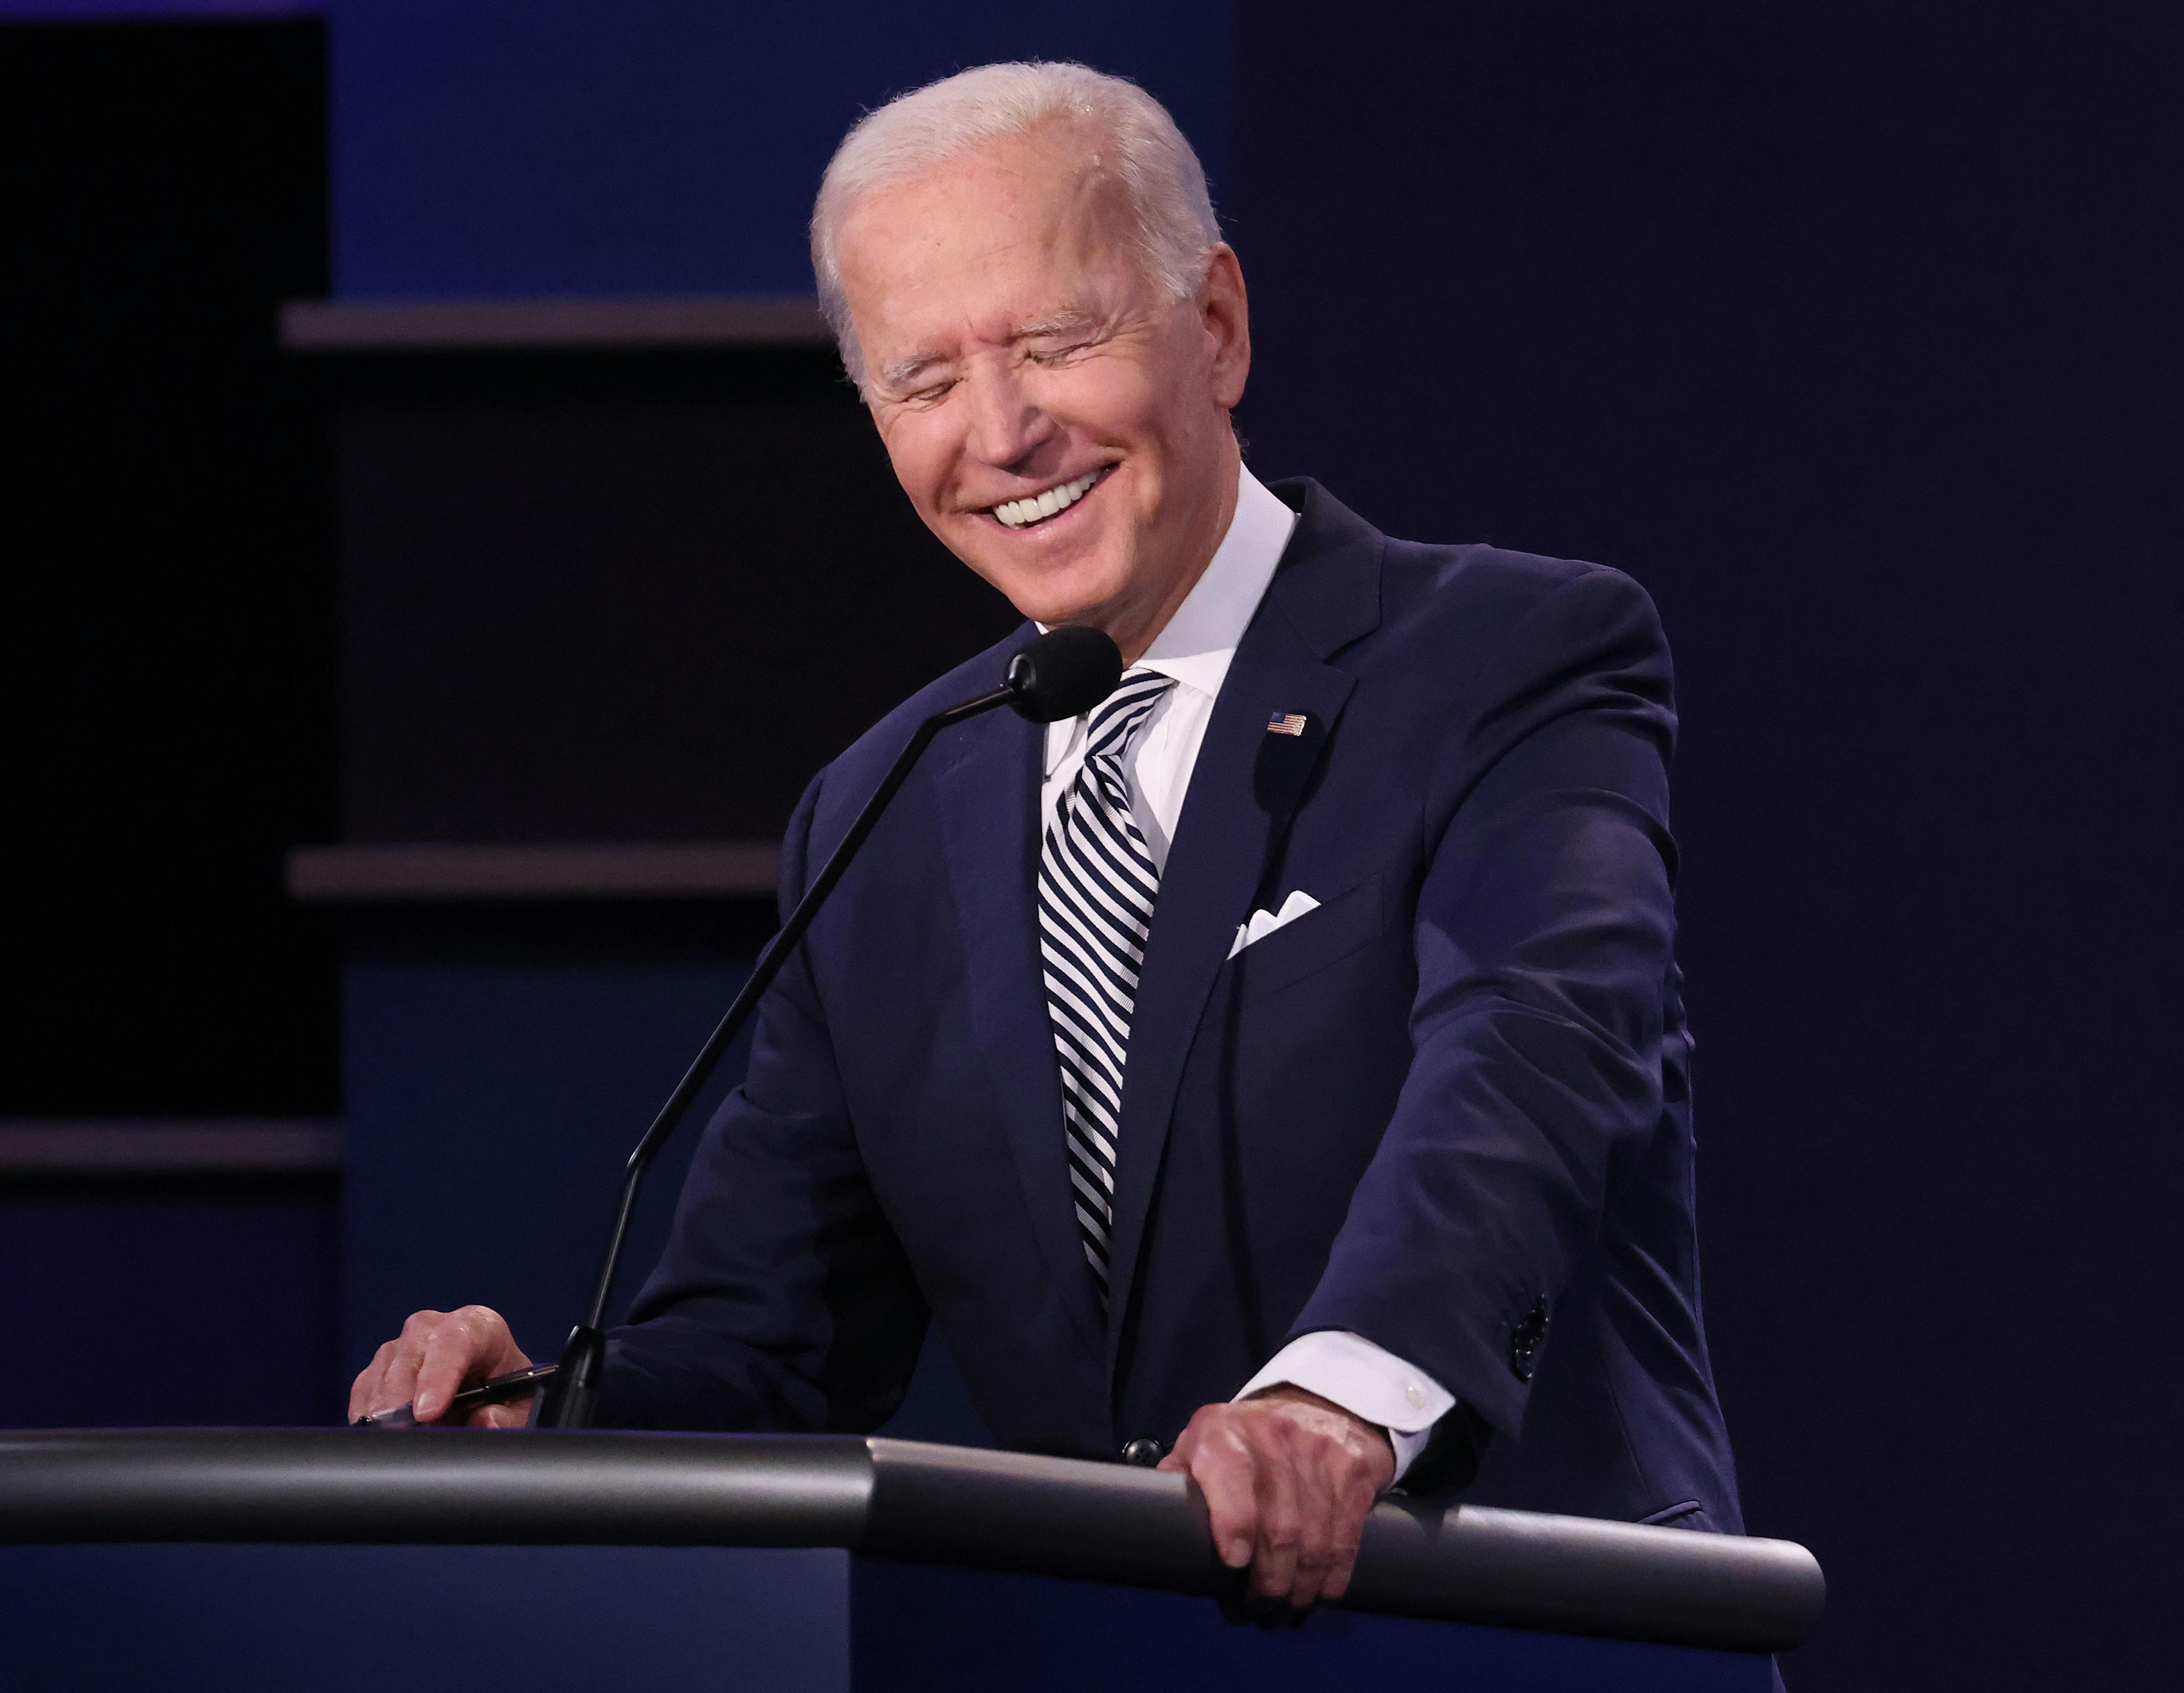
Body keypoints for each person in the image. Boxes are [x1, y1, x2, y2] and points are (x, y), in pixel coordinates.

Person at [351, 60, 1747, 1613]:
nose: (1002, 434)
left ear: (1213, 323)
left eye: (1056, 343)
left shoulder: (1510, 658)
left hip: (1521, 1639)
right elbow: (768, 1347)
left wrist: (1336, 1402)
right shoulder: (882, 807)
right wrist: (546, 1421)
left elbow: (1531, 1061)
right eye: (924, 382)